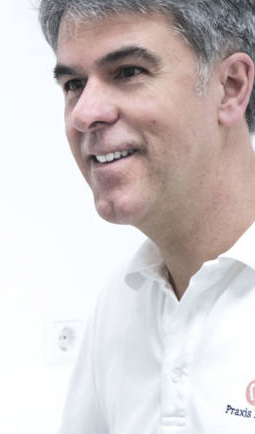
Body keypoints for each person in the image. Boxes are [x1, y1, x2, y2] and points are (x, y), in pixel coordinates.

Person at [38, 0, 255, 432]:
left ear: (230, 86)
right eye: (74, 84)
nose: (84, 113)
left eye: (128, 71)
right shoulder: (121, 304)